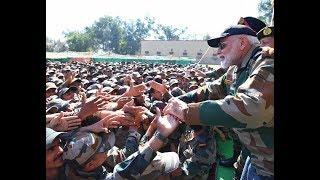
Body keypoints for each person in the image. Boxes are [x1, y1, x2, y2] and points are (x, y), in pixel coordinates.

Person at [160, 25, 274, 179]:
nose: (218, 51)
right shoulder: (236, 70)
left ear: (242, 43)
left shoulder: (267, 63)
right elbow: (210, 90)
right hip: (256, 155)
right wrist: (175, 102)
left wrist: (186, 112)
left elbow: (252, 108)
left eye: (223, 45)